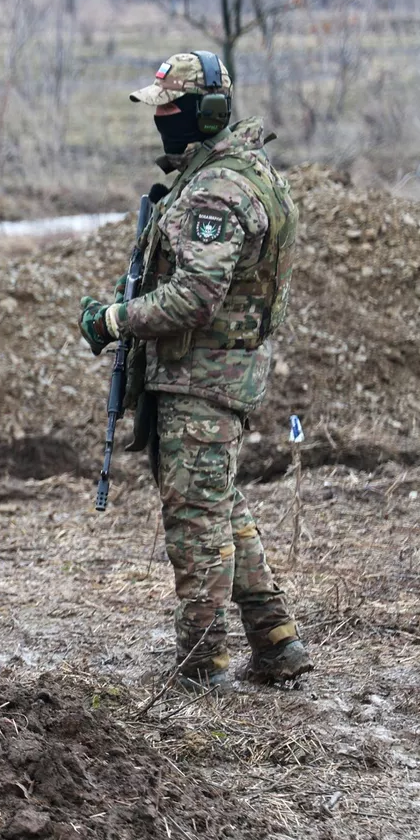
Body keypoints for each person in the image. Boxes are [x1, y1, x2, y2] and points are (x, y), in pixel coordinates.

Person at [75, 51, 312, 692]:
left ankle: (201, 660)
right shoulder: (232, 172)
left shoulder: (219, 190)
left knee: (195, 523)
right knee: (218, 504)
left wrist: (115, 321)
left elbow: (195, 297)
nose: (163, 122)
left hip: (201, 379)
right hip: (212, 376)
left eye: (173, 110)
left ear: (207, 113)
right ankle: (275, 639)